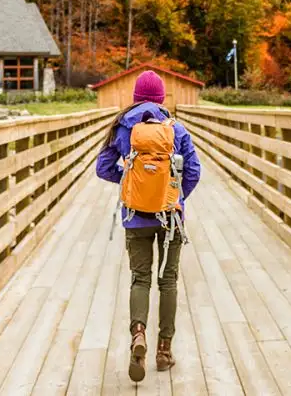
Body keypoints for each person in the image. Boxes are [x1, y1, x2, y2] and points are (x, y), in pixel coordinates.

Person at [96, 70, 201, 383]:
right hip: (170, 217)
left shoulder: (122, 127)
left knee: (139, 278)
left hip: (135, 215)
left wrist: (131, 183)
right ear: (161, 99)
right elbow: (194, 171)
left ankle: (137, 335)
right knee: (167, 281)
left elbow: (103, 168)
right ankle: (164, 350)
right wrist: (174, 195)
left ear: (135, 97)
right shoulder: (176, 129)